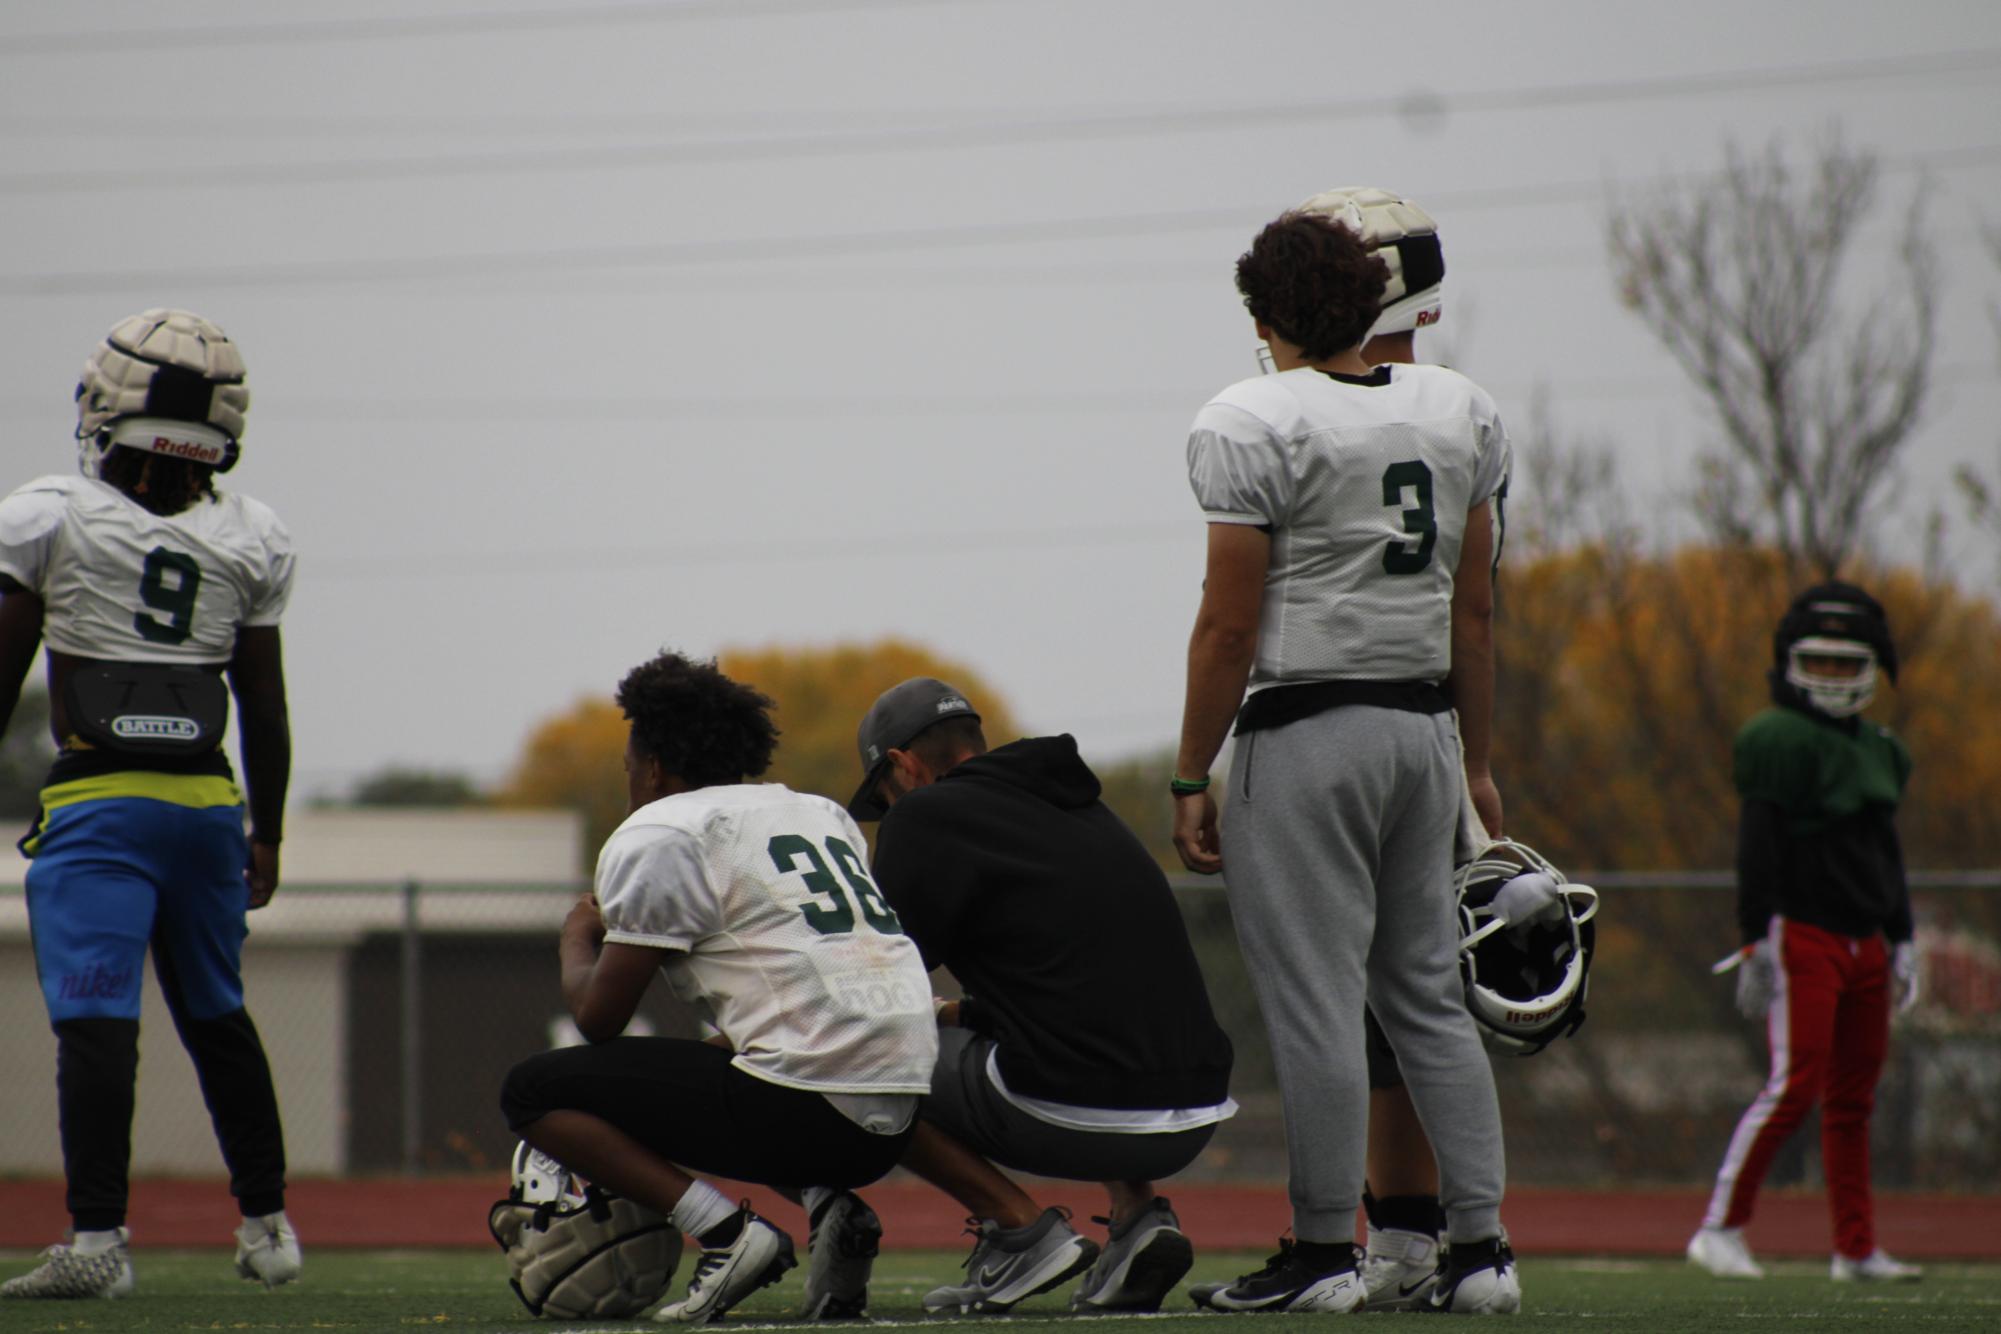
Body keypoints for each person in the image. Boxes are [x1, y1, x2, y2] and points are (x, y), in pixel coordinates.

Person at [1171, 209, 1518, 1314]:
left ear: (1267, 313)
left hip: (1308, 729)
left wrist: (1190, 771)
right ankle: (1483, 1256)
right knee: (1428, 995)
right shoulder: (1458, 407)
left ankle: (1324, 1252)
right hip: (1424, 732)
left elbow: (1228, 625)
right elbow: (1476, 609)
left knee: (1320, 1001)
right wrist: (1478, 759)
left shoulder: (1251, 415)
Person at [0, 309, 300, 1299]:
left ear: (106, 402)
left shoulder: (51, 511)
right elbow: (262, 694)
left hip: (103, 802)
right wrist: (270, 827)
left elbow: (4, 671)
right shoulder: (248, 533)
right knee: (218, 1014)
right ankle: (267, 1223)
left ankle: (97, 1238)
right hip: (210, 806)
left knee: (98, 1025)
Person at [498, 651, 939, 1324]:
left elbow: (599, 1019)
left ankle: (728, 1235)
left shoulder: (662, 830)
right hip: (900, 1113)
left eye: (627, 768)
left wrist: (576, 933)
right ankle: (830, 1207)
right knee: (725, 1055)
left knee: (532, 1090)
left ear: (650, 767)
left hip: (809, 1110)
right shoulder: (818, 813)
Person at [817, 676, 1236, 1317]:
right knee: (1072, 1040)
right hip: (1196, 1112)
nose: (889, 810)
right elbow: (1076, 981)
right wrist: (961, 1012)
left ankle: (1018, 1231)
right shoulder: (1079, 805)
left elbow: (877, 986)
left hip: (1079, 1112)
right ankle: (1137, 1217)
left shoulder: (926, 816)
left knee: (854, 1060)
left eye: (884, 794)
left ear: (900, 764)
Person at [1686, 583, 1924, 1284]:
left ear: (1870, 667)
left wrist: (1901, 936)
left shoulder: (1881, 748)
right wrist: (1755, 938)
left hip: (1864, 942)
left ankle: (1854, 1248)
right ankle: (1718, 1228)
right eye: (1814, 662)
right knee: (1795, 1084)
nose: (1826, 677)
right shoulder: (1776, 738)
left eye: (1842, 663)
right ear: (1790, 662)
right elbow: (1755, 847)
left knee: (1852, 1098)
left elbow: (1885, 850)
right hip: (1803, 934)